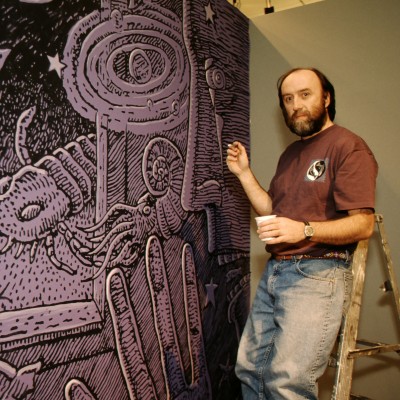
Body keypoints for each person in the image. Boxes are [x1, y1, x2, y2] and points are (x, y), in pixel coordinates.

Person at [226, 67, 378, 399]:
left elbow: (364, 223)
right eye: (288, 99)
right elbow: (272, 212)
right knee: (251, 371)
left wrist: (304, 229)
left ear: (327, 98)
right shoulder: (290, 154)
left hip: (319, 274)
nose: (296, 105)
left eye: (305, 95)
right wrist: (244, 174)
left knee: (287, 382)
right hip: (276, 272)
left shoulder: (348, 146)